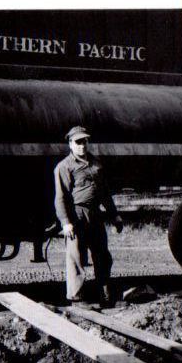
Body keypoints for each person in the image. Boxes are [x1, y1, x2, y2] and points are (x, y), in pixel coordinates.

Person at [54, 126, 123, 307]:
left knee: (102, 255)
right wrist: (66, 222)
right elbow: (60, 197)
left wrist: (114, 215)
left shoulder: (96, 164)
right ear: (70, 144)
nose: (82, 145)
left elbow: (105, 193)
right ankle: (77, 298)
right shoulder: (64, 167)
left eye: (84, 141)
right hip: (76, 214)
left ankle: (105, 295)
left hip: (95, 213)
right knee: (76, 256)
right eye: (78, 142)